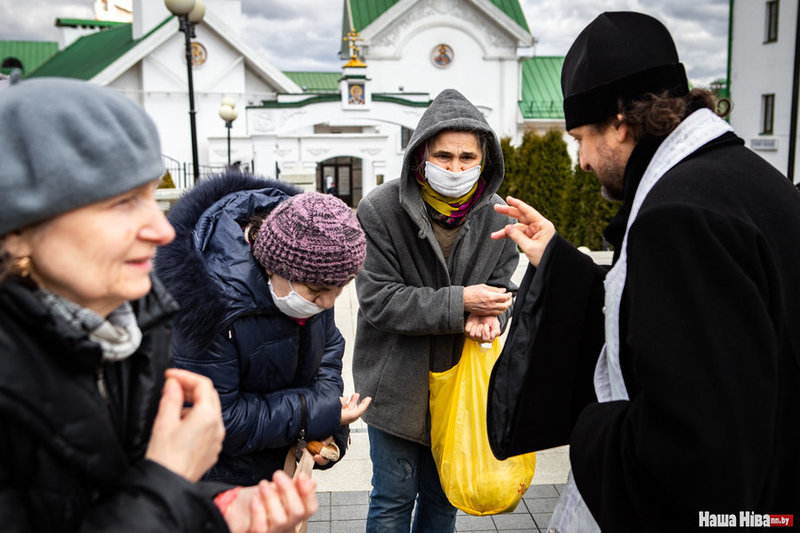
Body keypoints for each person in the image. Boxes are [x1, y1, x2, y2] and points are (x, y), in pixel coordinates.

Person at [486, 11, 800, 531]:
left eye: (580, 138)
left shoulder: (678, 219)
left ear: (620, 121)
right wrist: (562, 263)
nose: (581, 162)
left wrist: (592, 426)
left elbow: (695, 453)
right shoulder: (740, 180)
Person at [0, 77, 317, 533]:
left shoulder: (133, 322)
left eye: (151, 195)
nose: (162, 229)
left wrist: (219, 507)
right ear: (18, 226)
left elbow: (115, 493)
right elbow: (152, 484)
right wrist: (170, 480)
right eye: (121, 202)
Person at [353, 88, 519, 532]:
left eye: (467, 157)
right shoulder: (380, 209)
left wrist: (490, 318)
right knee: (392, 499)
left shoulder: (500, 217)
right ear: (420, 155)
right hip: (394, 387)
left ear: (485, 160)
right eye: (443, 155)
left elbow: (503, 292)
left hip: (460, 385)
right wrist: (462, 301)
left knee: (445, 500)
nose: (455, 168)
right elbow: (377, 300)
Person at [155, 173, 370, 486]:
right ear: (272, 265)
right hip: (216, 483)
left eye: (339, 290)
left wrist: (328, 429)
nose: (327, 302)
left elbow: (328, 352)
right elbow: (220, 419)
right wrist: (316, 414)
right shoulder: (211, 303)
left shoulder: (315, 278)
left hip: (275, 472)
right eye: (316, 290)